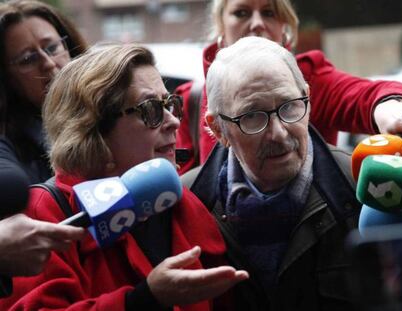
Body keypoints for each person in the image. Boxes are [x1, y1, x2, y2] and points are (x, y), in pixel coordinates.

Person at [0, 43, 248, 310]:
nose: (174, 121)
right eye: (150, 109)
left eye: (170, 104)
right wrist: (142, 301)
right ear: (93, 129)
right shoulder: (45, 212)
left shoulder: (178, 199)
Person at [183, 36, 361, 310]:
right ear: (219, 130)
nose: (278, 133)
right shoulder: (187, 207)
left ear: (308, 99)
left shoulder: (361, 189)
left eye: (289, 106)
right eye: (253, 115)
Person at [175, 0, 402, 174]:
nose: (257, 24)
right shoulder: (192, 100)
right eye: (241, 13)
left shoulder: (310, 77)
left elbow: (364, 96)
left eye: (269, 12)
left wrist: (388, 107)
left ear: (284, 26)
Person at [0, 0, 88, 183]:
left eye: (53, 47)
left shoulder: (116, 110)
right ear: (7, 80)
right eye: (27, 59)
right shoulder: (9, 162)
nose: (48, 63)